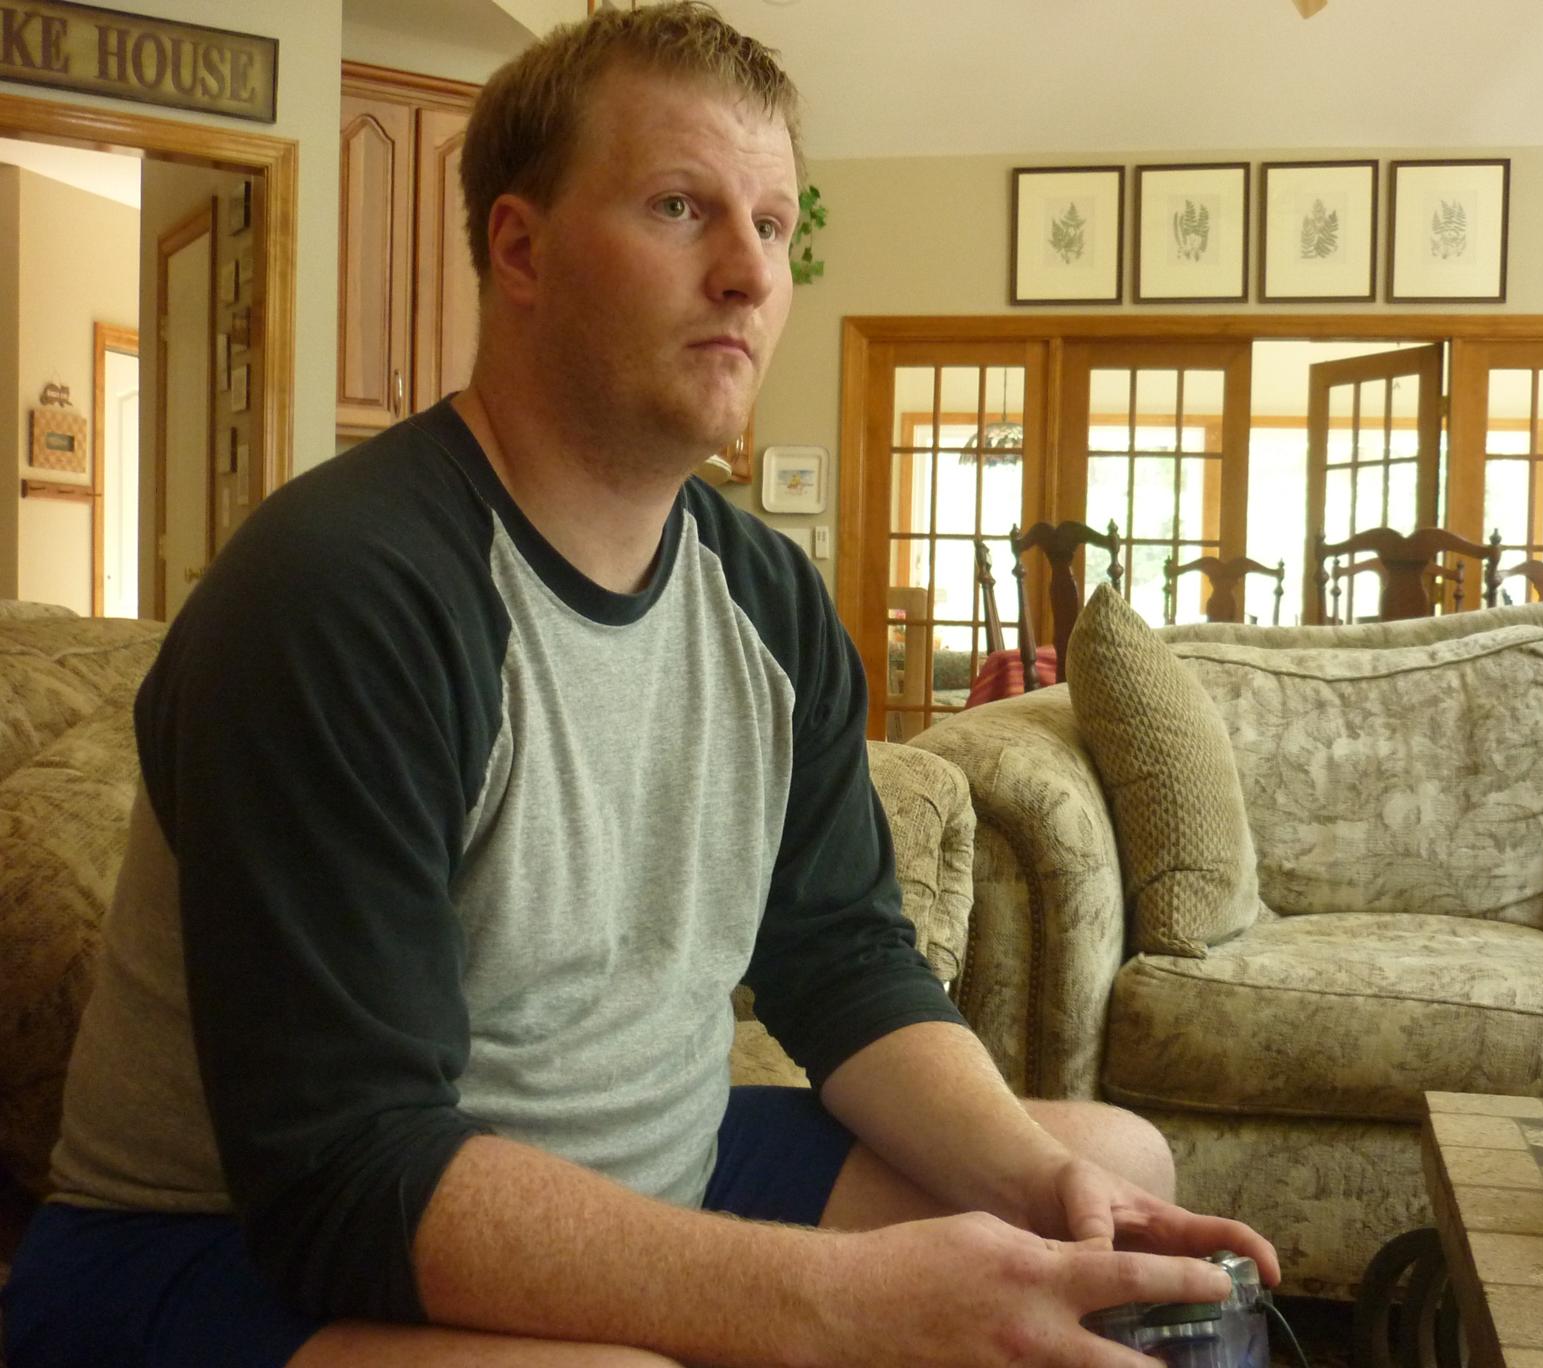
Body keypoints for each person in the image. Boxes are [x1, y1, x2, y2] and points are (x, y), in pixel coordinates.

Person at [0, 5, 1276, 1365]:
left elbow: (843, 964)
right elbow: (345, 1177)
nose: (750, 272)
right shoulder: (345, 591)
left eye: (773, 224)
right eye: (680, 207)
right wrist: (842, 1304)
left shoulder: (768, 600)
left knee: (1112, 1172)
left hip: (658, 1159)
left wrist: (1039, 1182)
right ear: (521, 249)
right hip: (228, 1249)